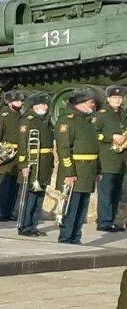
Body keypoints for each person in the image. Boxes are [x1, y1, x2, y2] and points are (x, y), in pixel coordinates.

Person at [58, 88, 104, 245]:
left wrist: (98, 170)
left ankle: (75, 236)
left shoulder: (87, 121)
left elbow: (94, 148)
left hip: (88, 171)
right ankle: (66, 237)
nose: (93, 106)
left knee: (82, 207)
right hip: (76, 170)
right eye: (91, 103)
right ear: (81, 104)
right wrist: (69, 172)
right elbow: (64, 149)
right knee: (72, 206)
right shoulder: (67, 120)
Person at [17, 93, 56, 238]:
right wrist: (23, 164)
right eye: (42, 105)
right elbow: (22, 144)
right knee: (30, 197)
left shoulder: (45, 120)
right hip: (32, 163)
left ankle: (33, 225)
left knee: (39, 196)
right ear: (34, 106)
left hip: (44, 163)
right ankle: (25, 226)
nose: (45, 107)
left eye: (46, 105)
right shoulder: (28, 120)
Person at [0, 88, 28, 224]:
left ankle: (9, 211)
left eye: (21, 100)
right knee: (4, 186)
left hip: (17, 157)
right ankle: (1, 212)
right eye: (17, 100)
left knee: (14, 187)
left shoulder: (20, 116)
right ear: (10, 102)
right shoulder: (3, 116)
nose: (20, 103)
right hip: (5, 156)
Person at [96, 84, 126, 233]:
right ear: (108, 99)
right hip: (106, 159)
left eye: (120, 97)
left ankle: (111, 220)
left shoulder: (123, 114)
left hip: (120, 160)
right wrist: (111, 137)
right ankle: (104, 221)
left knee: (115, 193)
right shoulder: (101, 115)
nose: (118, 100)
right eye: (114, 97)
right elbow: (91, 134)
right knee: (106, 192)